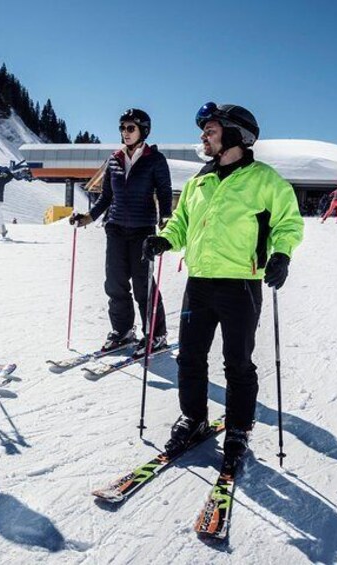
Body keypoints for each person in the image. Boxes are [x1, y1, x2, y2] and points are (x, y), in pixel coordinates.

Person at [143, 102, 304, 464]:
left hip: (241, 285)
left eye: (211, 130)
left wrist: (281, 254)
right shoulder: (200, 180)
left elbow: (288, 223)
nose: (203, 136)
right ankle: (194, 418)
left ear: (235, 135)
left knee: (238, 362)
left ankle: (237, 429)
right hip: (199, 283)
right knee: (190, 357)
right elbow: (181, 222)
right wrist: (164, 239)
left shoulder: (265, 180)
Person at [69, 108, 173, 355]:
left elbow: (165, 192)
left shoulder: (155, 160)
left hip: (142, 230)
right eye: (122, 128)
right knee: (115, 284)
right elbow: (106, 197)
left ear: (143, 131)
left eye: (130, 128)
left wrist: (166, 220)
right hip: (115, 228)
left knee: (142, 285)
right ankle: (123, 331)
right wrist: (88, 217)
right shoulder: (114, 159)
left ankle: (156, 334)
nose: (125, 133)